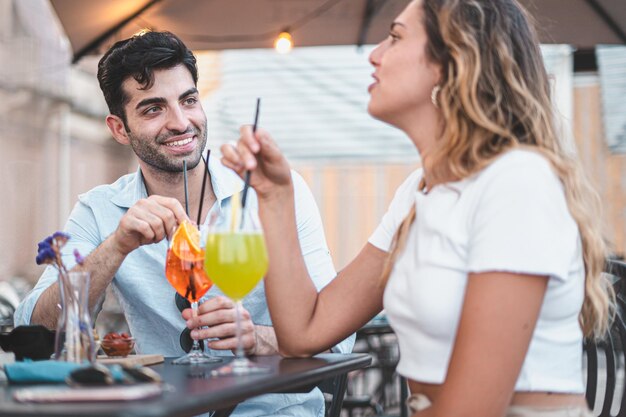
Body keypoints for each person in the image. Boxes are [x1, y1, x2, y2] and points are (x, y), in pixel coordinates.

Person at [221, 0, 613, 416]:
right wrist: (276, 197)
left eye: (395, 37)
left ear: (452, 61)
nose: (374, 54)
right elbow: (306, 330)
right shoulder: (419, 192)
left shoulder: (515, 182)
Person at [14, 31, 353, 416]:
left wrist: (257, 338)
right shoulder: (101, 209)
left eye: (188, 100)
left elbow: (337, 338)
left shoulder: (271, 192)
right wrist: (116, 246)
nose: (181, 122)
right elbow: (38, 333)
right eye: (153, 109)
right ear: (119, 128)